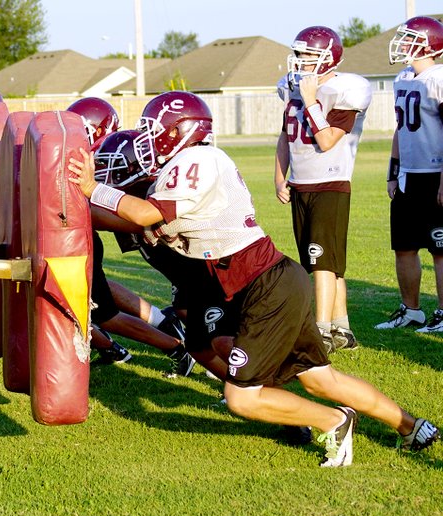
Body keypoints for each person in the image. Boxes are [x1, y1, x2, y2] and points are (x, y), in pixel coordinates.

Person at [68, 90, 439, 466]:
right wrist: (78, 206)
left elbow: (145, 214)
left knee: (242, 397)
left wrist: (91, 189)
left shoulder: (197, 159)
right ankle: (409, 425)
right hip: (263, 282)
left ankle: (334, 420)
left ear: (181, 131)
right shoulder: (183, 168)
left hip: (262, 285)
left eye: (153, 129)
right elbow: (132, 217)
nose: (147, 138)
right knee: (320, 379)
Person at [68, 99, 192, 374]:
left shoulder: (147, 185)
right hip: (161, 249)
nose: (103, 170)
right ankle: (168, 328)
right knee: (102, 294)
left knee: (105, 312)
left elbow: (141, 220)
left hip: (200, 256)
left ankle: (183, 348)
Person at [274, 26, 372, 352]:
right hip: (301, 183)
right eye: (299, 54)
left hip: (330, 183)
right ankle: (342, 329)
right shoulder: (293, 89)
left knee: (322, 264)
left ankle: (321, 330)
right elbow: (285, 137)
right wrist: (279, 176)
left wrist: (312, 100)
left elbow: (326, 140)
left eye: (309, 55)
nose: (301, 61)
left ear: (328, 58)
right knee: (323, 262)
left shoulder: (345, 91)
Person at [376, 16, 443, 332]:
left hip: (435, 173)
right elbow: (400, 130)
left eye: (409, 39)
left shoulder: (439, 78)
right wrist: (393, 172)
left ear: (428, 44)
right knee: (404, 246)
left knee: (440, 250)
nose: (402, 44)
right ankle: (411, 311)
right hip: (408, 176)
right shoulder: (403, 77)